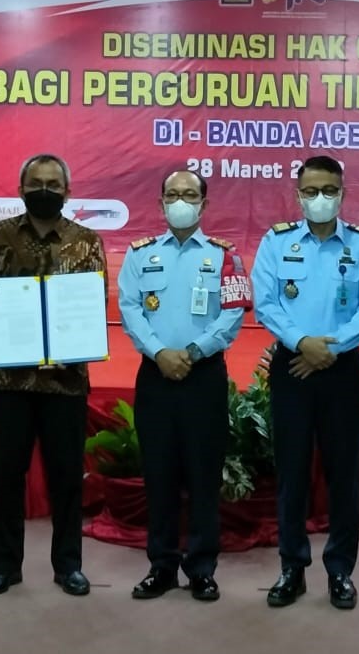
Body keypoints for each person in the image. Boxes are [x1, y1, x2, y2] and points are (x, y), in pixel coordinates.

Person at [0, 154, 107, 598]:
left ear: (67, 191)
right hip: (11, 379)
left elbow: (94, 302)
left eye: (53, 184)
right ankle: (5, 566)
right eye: (36, 183)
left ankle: (69, 566)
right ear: (21, 189)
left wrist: (76, 335)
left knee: (67, 478)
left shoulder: (86, 241)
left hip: (66, 380)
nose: (44, 190)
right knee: (8, 476)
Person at [251, 155, 359, 610]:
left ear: (342, 194)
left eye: (329, 190)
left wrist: (329, 349)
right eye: (311, 191)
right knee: (291, 473)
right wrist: (302, 343)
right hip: (291, 366)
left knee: (343, 474)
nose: (320, 198)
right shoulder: (277, 242)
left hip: (342, 368)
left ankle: (340, 570)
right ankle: (292, 568)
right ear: (298, 195)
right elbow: (266, 303)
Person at [118, 169, 251, 602]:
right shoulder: (140, 254)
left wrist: (192, 352)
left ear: (204, 204)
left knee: (203, 475)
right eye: (172, 194)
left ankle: (201, 568)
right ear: (160, 203)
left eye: (189, 194)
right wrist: (160, 352)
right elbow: (130, 309)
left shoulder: (225, 256)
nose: (180, 201)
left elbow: (233, 312)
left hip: (203, 376)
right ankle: (161, 566)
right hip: (155, 375)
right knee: (158, 475)